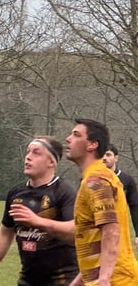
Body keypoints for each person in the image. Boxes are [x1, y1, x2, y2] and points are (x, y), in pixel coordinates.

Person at [0, 136, 77, 286]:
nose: (28, 157)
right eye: (28, 152)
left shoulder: (65, 192)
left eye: (36, 153)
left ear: (51, 161)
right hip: (27, 279)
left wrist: (38, 221)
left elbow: (76, 231)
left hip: (63, 279)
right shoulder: (16, 193)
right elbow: (5, 233)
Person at [65, 119, 138, 285]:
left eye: (76, 135)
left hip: (117, 280)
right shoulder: (97, 177)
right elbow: (96, 241)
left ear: (92, 145)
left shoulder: (96, 181)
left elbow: (111, 230)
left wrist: (104, 278)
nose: (68, 139)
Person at [103, 144, 138, 247]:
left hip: (120, 230)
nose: (104, 158)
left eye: (108, 155)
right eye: (102, 155)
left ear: (116, 158)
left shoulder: (127, 180)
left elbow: (135, 206)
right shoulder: (91, 179)